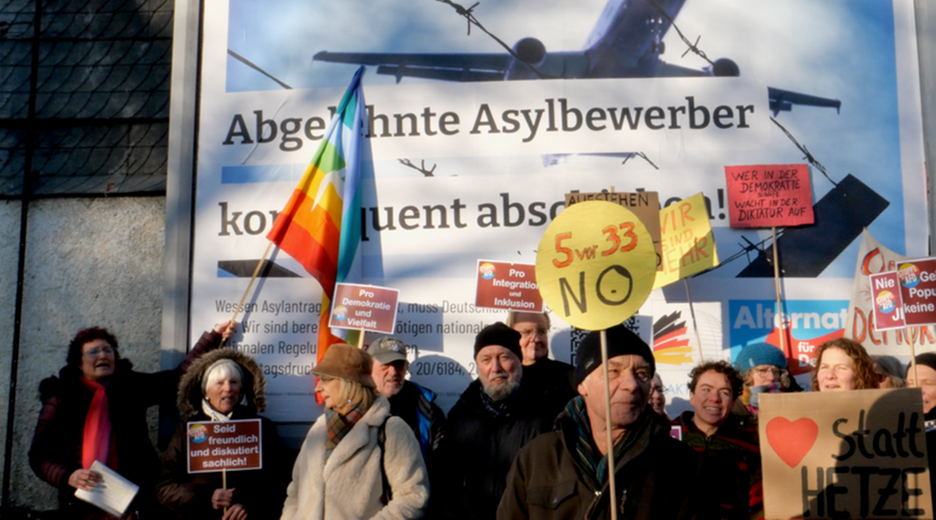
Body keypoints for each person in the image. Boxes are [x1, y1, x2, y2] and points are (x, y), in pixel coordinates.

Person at [497, 324, 707, 520]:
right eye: (613, 371)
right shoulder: (537, 458)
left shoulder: (682, 465)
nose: (631, 385)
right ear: (582, 385)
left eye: (642, 373)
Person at [29, 322, 233, 519]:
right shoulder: (61, 398)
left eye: (108, 350)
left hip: (136, 504)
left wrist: (213, 337)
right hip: (83, 506)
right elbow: (39, 455)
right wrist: (69, 476)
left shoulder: (130, 386)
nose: (102, 355)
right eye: (93, 352)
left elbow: (176, 380)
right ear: (78, 364)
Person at [281, 343, 429, 520]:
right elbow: (295, 492)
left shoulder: (391, 429)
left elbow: (413, 497)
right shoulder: (319, 429)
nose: (317, 388)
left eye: (325, 379)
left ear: (347, 383)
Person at [438, 322, 565, 520]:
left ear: (519, 360)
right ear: (478, 366)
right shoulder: (461, 414)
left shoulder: (549, 409)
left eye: (504, 357)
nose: (495, 368)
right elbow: (445, 482)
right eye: (486, 359)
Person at [156, 348, 290, 519]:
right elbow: (165, 488)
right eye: (219, 383)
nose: (228, 389)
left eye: (234, 382)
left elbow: (280, 481)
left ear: (241, 389)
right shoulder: (187, 431)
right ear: (205, 391)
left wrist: (250, 504)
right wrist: (207, 496)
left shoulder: (262, 428)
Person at [674, 361, 762, 520]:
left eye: (724, 392)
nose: (714, 398)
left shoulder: (750, 446)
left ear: (733, 403)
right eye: (706, 390)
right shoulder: (668, 436)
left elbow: (758, 506)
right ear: (692, 397)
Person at [368, 336, 446, 462]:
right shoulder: (352, 407)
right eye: (385, 365)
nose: (393, 372)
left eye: (398, 364)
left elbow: (439, 467)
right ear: (369, 368)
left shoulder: (428, 412)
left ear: (406, 368)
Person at [507, 311, 575, 403]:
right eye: (527, 332)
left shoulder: (569, 377)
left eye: (541, 332)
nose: (536, 339)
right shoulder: (501, 377)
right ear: (511, 335)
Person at [732, 342, 800, 426]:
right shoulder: (729, 411)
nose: (771, 377)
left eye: (775, 371)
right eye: (762, 371)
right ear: (745, 375)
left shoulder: (796, 407)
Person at [811, 338, 878, 391]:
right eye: (824, 367)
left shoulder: (877, 408)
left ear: (860, 375)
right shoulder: (804, 408)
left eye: (841, 368)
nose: (829, 375)